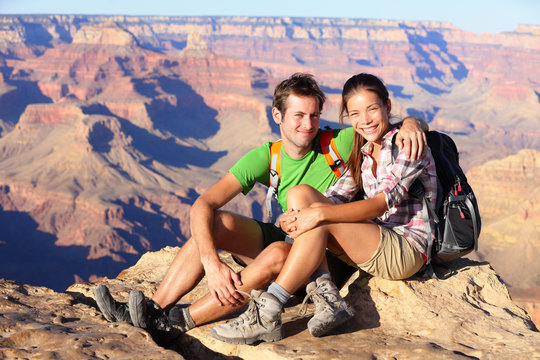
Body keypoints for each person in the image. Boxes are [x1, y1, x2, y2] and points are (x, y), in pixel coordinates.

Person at [94, 73, 427, 336]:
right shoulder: (266, 157)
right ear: (276, 115)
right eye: (298, 116)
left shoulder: (340, 141)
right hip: (290, 233)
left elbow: (383, 125)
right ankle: (152, 310)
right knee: (215, 224)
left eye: (313, 115)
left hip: (326, 253)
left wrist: (412, 121)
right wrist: (212, 264)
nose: (307, 125)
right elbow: (203, 204)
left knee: (277, 253)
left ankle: (177, 323)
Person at [210, 73, 437, 345]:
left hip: (407, 249)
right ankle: (327, 297)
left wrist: (317, 215)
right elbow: (333, 197)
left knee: (319, 218)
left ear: (387, 107)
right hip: (376, 239)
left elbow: (381, 202)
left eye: (372, 109)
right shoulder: (364, 151)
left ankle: (269, 308)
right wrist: (292, 219)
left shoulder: (407, 145)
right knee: (299, 194)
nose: (365, 120)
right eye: (355, 113)